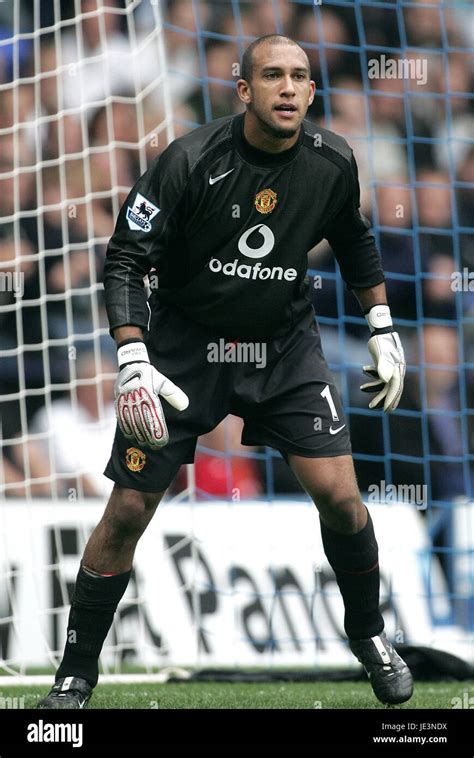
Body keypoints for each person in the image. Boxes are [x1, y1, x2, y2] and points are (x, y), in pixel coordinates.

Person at [38, 34, 412, 709]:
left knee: (343, 499)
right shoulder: (188, 160)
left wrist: (381, 324)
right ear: (244, 90)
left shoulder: (332, 162)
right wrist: (131, 357)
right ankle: (75, 673)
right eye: (273, 75)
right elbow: (124, 257)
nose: (289, 88)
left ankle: (370, 637)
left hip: (282, 348)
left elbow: (354, 239)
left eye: (300, 76)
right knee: (127, 508)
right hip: (185, 351)